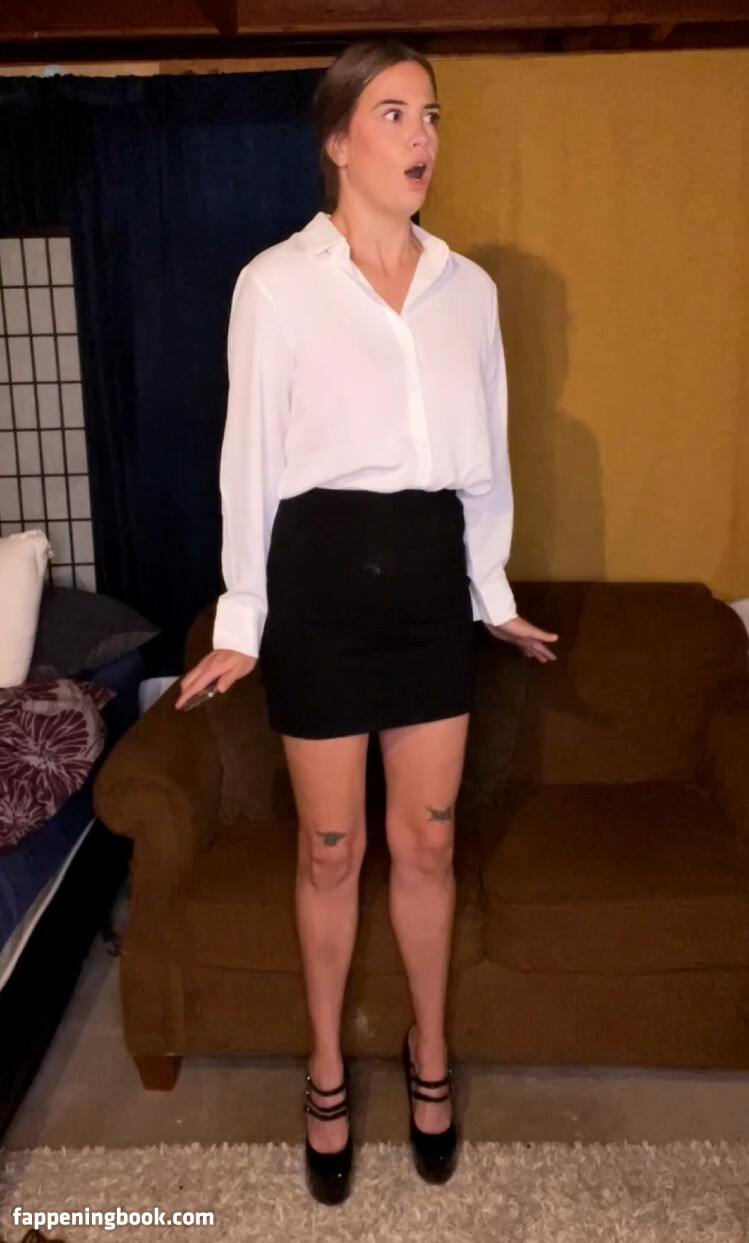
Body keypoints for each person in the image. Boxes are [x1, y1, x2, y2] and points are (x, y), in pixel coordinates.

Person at [176, 38, 558, 1205]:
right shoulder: (274, 286)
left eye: (430, 115)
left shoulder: (468, 291)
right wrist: (242, 618)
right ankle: (326, 1068)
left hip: (428, 591)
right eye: (393, 114)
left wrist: (491, 596)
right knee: (330, 849)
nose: (421, 136)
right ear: (337, 141)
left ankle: (428, 1052)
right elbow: (248, 463)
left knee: (428, 843)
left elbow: (485, 461)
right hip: (322, 589)